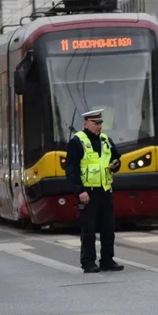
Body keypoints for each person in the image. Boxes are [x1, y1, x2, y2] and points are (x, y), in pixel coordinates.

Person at [65, 109, 124, 273]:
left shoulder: (106, 140)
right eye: (95, 123)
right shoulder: (77, 142)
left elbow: (116, 158)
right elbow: (71, 170)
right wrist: (80, 190)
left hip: (105, 190)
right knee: (88, 228)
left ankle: (107, 260)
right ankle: (88, 262)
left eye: (100, 123)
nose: (98, 127)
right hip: (88, 192)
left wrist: (115, 165)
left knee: (108, 228)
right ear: (85, 124)